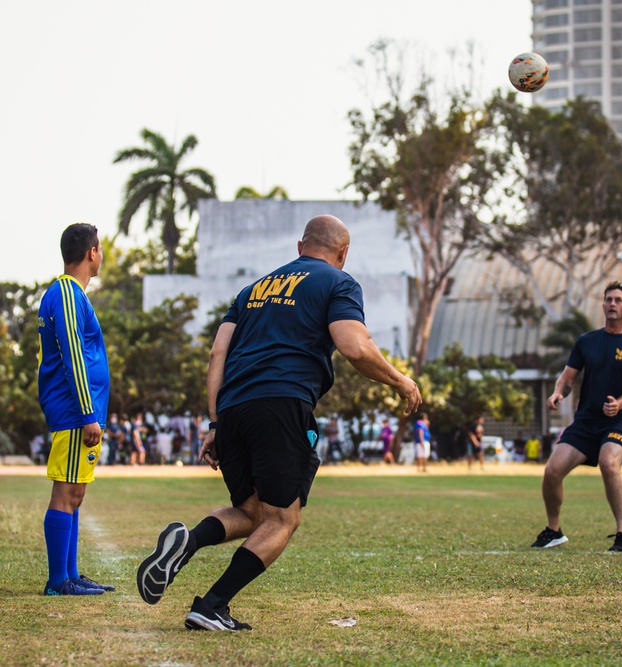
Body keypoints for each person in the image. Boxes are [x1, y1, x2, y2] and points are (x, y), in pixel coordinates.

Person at [136, 214, 421, 631]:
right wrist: (400, 381)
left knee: (252, 512)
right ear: (342, 253)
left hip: (232, 408)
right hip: (282, 403)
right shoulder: (338, 282)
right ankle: (213, 604)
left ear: (299, 245)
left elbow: (218, 354)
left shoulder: (252, 290)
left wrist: (215, 423)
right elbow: (354, 346)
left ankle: (190, 541)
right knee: (284, 519)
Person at [532, 281, 622, 553]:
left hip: (619, 419)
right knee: (552, 471)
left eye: (618, 300)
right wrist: (557, 393)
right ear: (603, 305)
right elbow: (567, 377)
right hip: (586, 420)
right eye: (608, 299)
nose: (612, 304)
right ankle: (554, 530)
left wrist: (618, 404)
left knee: (609, 463)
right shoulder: (586, 341)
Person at [37, 223, 115, 596]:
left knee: (76, 493)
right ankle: (58, 582)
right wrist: (88, 413)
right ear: (91, 253)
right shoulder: (67, 294)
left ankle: (70, 574)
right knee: (65, 493)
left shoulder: (70, 295)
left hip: (77, 411)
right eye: (99, 248)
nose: (100, 254)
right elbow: (73, 356)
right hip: (74, 411)